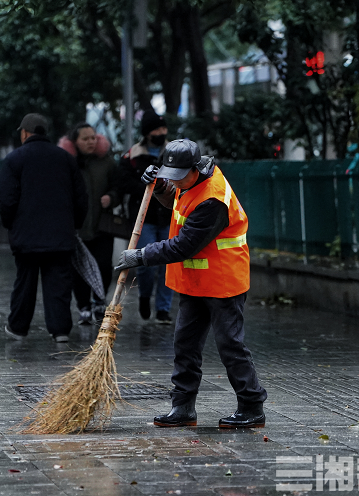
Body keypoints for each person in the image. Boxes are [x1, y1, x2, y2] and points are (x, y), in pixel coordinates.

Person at [115, 139, 267, 428]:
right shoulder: (189, 182)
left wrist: (141, 255)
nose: (175, 182)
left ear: (194, 169)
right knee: (184, 344)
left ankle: (252, 406)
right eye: (168, 175)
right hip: (194, 279)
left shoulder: (213, 200)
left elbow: (184, 245)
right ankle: (182, 407)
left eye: (178, 177)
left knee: (229, 345)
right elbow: (174, 201)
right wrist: (159, 187)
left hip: (223, 280)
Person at [0, 113, 88, 342]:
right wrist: (74, 225)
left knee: (24, 283)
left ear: (25, 133)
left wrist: (11, 224)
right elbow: (81, 198)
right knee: (58, 284)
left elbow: (6, 199)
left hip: (26, 235)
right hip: (60, 235)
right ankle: (60, 331)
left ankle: (18, 328)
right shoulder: (65, 159)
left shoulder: (13, 159)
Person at [58, 122, 120, 325]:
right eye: (85, 138)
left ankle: (99, 301)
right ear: (75, 142)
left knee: (103, 265)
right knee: (78, 268)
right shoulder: (67, 162)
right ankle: (83, 306)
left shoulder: (107, 162)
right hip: (77, 227)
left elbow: (118, 188)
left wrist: (111, 197)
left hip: (101, 226)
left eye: (93, 137)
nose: (91, 142)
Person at [119, 110, 173, 323]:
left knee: (168, 263)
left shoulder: (172, 152)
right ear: (148, 132)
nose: (162, 132)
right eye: (157, 129)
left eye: (163, 128)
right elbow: (123, 183)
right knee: (146, 262)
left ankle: (163, 309)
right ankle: (144, 296)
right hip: (145, 219)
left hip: (168, 216)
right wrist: (145, 185)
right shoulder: (133, 155)